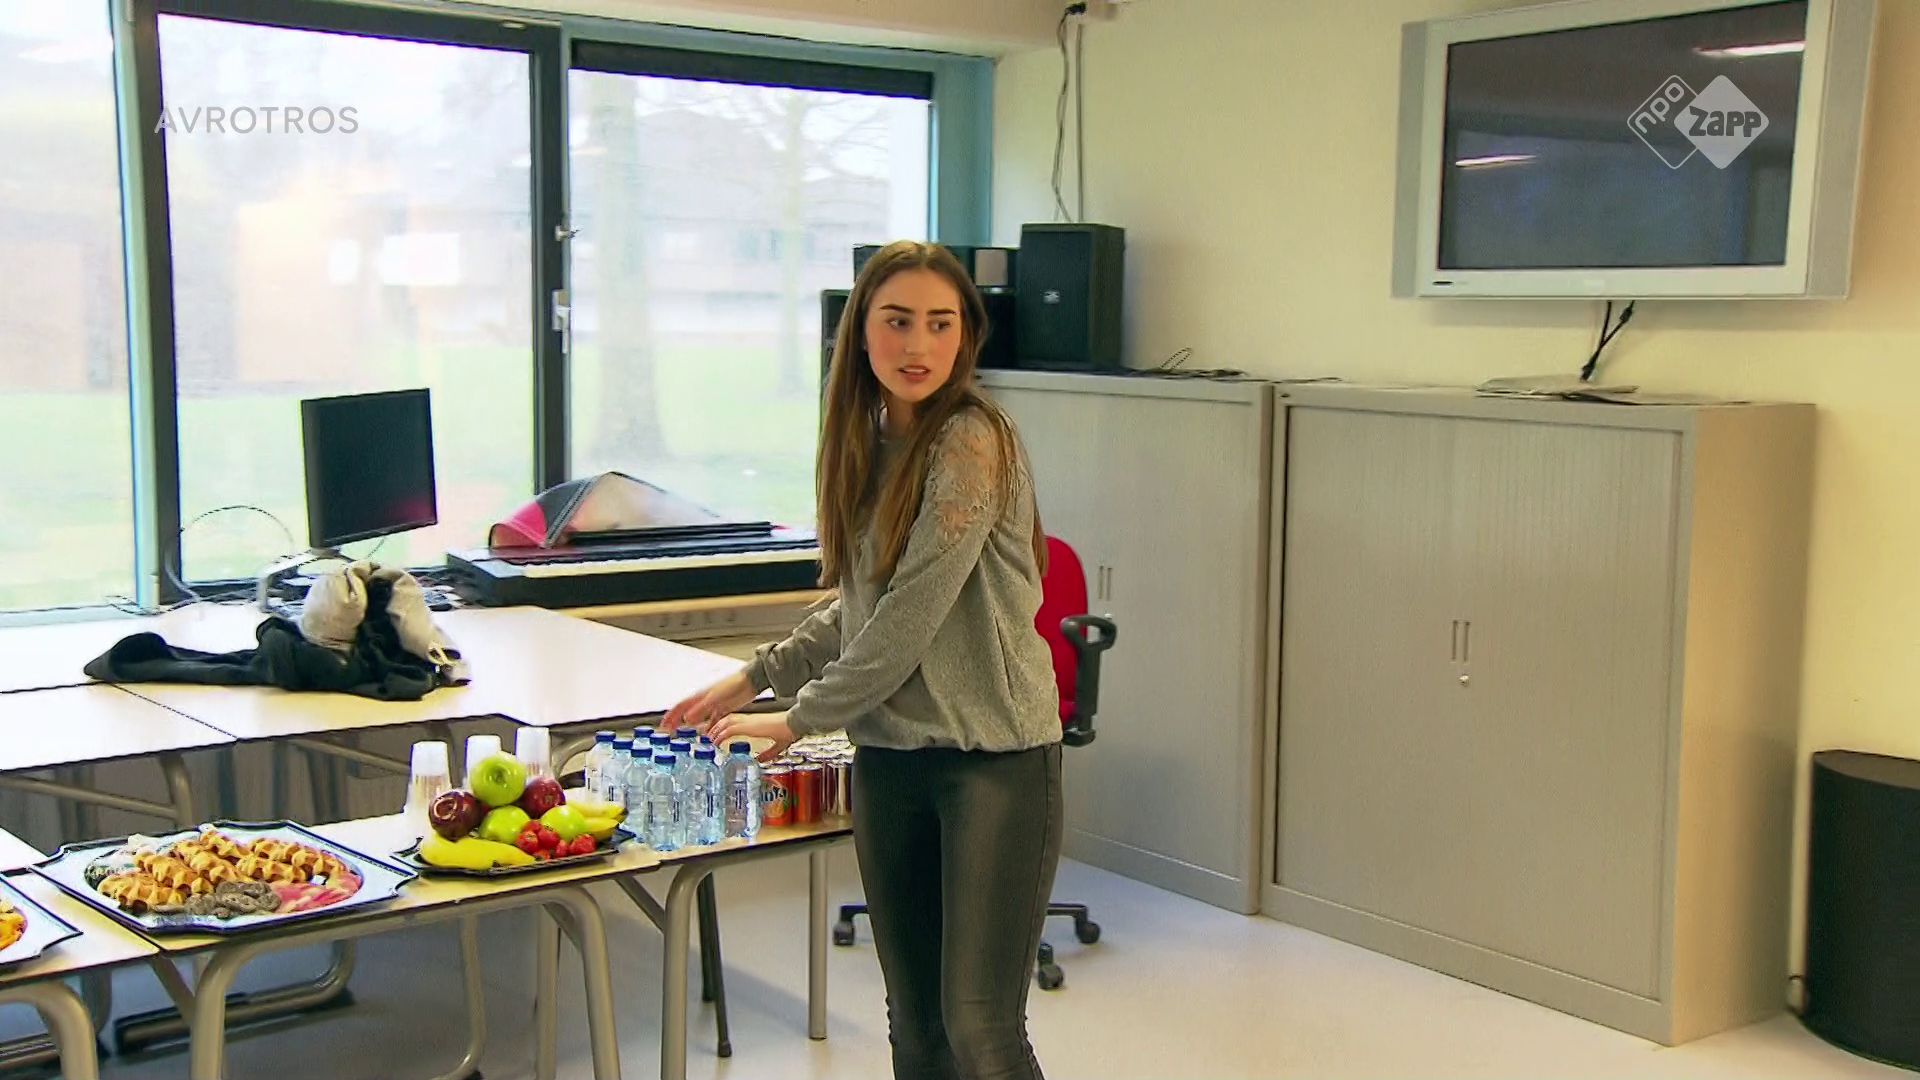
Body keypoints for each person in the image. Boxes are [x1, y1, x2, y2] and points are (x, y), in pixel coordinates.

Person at [667, 240, 1063, 1080]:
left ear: (966, 336)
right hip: (891, 758)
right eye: (898, 321)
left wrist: (794, 720)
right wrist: (752, 676)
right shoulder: (867, 441)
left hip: (992, 760)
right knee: (914, 1028)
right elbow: (859, 606)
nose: (918, 345)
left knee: (979, 1029)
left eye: (940, 324)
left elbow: (908, 617)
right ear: (861, 331)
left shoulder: (973, 439)